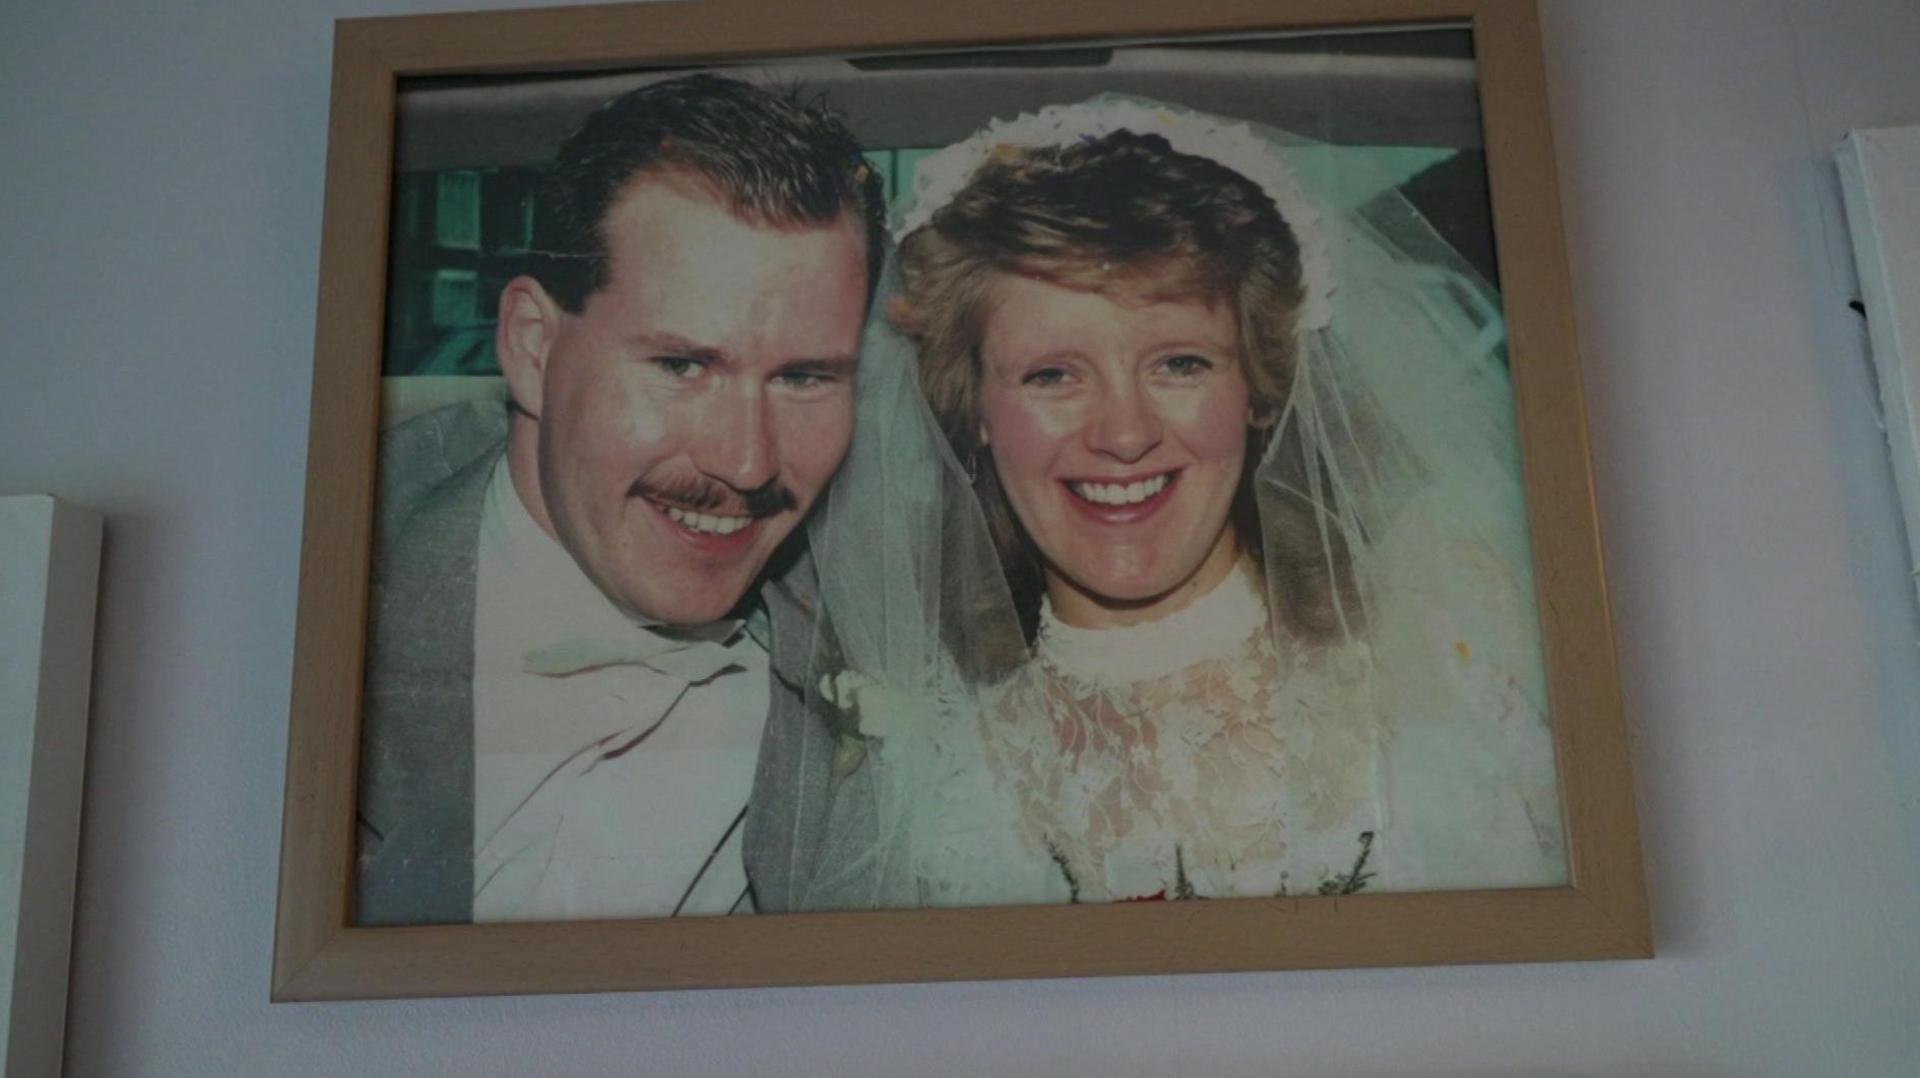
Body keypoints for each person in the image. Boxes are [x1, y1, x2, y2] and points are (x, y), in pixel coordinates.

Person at [796, 97, 1567, 909]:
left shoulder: (1446, 637)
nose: (1123, 435)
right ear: (975, 409)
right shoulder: (935, 768)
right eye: (1052, 374)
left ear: (1261, 390)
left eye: (1180, 365)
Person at [354, 74, 885, 925]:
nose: (747, 463)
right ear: (532, 348)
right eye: (683, 365)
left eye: (803, 376)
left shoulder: (879, 617)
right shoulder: (317, 591)